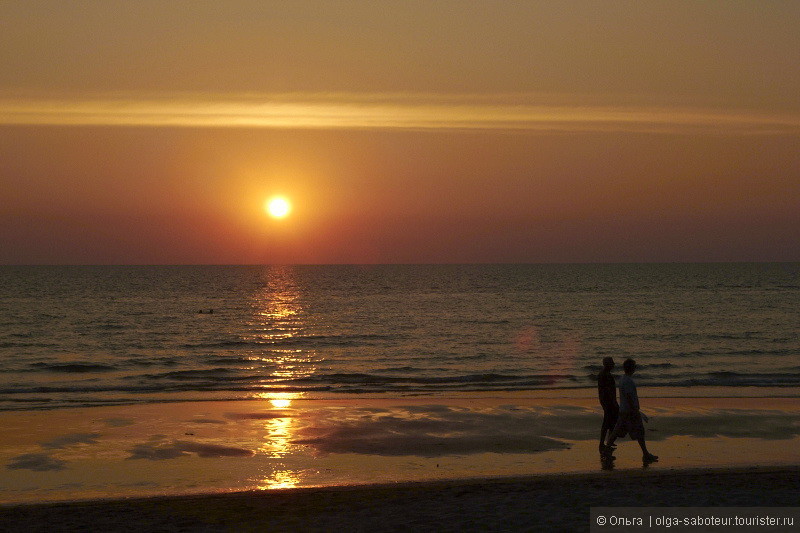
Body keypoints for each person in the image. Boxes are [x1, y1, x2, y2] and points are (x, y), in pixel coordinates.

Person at [605, 358, 658, 463]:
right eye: (634, 366)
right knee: (639, 432)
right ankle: (645, 454)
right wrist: (635, 410)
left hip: (625, 411)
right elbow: (629, 397)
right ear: (631, 368)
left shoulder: (623, 379)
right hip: (630, 412)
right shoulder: (628, 381)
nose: (635, 368)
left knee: (617, 432)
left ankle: (606, 452)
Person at [597, 357, 618, 456]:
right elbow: (607, 391)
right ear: (607, 364)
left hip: (607, 401)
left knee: (611, 421)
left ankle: (609, 440)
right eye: (612, 363)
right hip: (608, 402)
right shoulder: (604, 375)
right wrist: (614, 402)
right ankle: (602, 443)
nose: (614, 364)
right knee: (607, 422)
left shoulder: (605, 374)